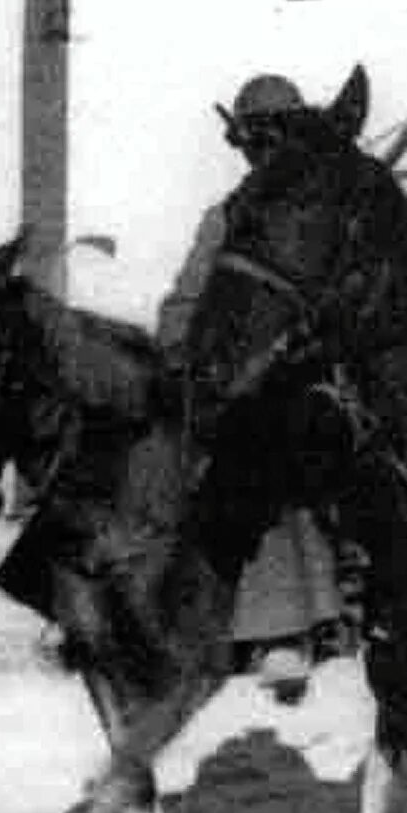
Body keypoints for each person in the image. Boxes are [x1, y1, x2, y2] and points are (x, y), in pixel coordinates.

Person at [156, 72, 346, 700]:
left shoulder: (322, 208)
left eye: (278, 138)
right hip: (223, 372)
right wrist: (178, 355)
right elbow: (186, 297)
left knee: (265, 441)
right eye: (254, 140)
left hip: (310, 372)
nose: (265, 153)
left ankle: (284, 630)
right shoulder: (226, 216)